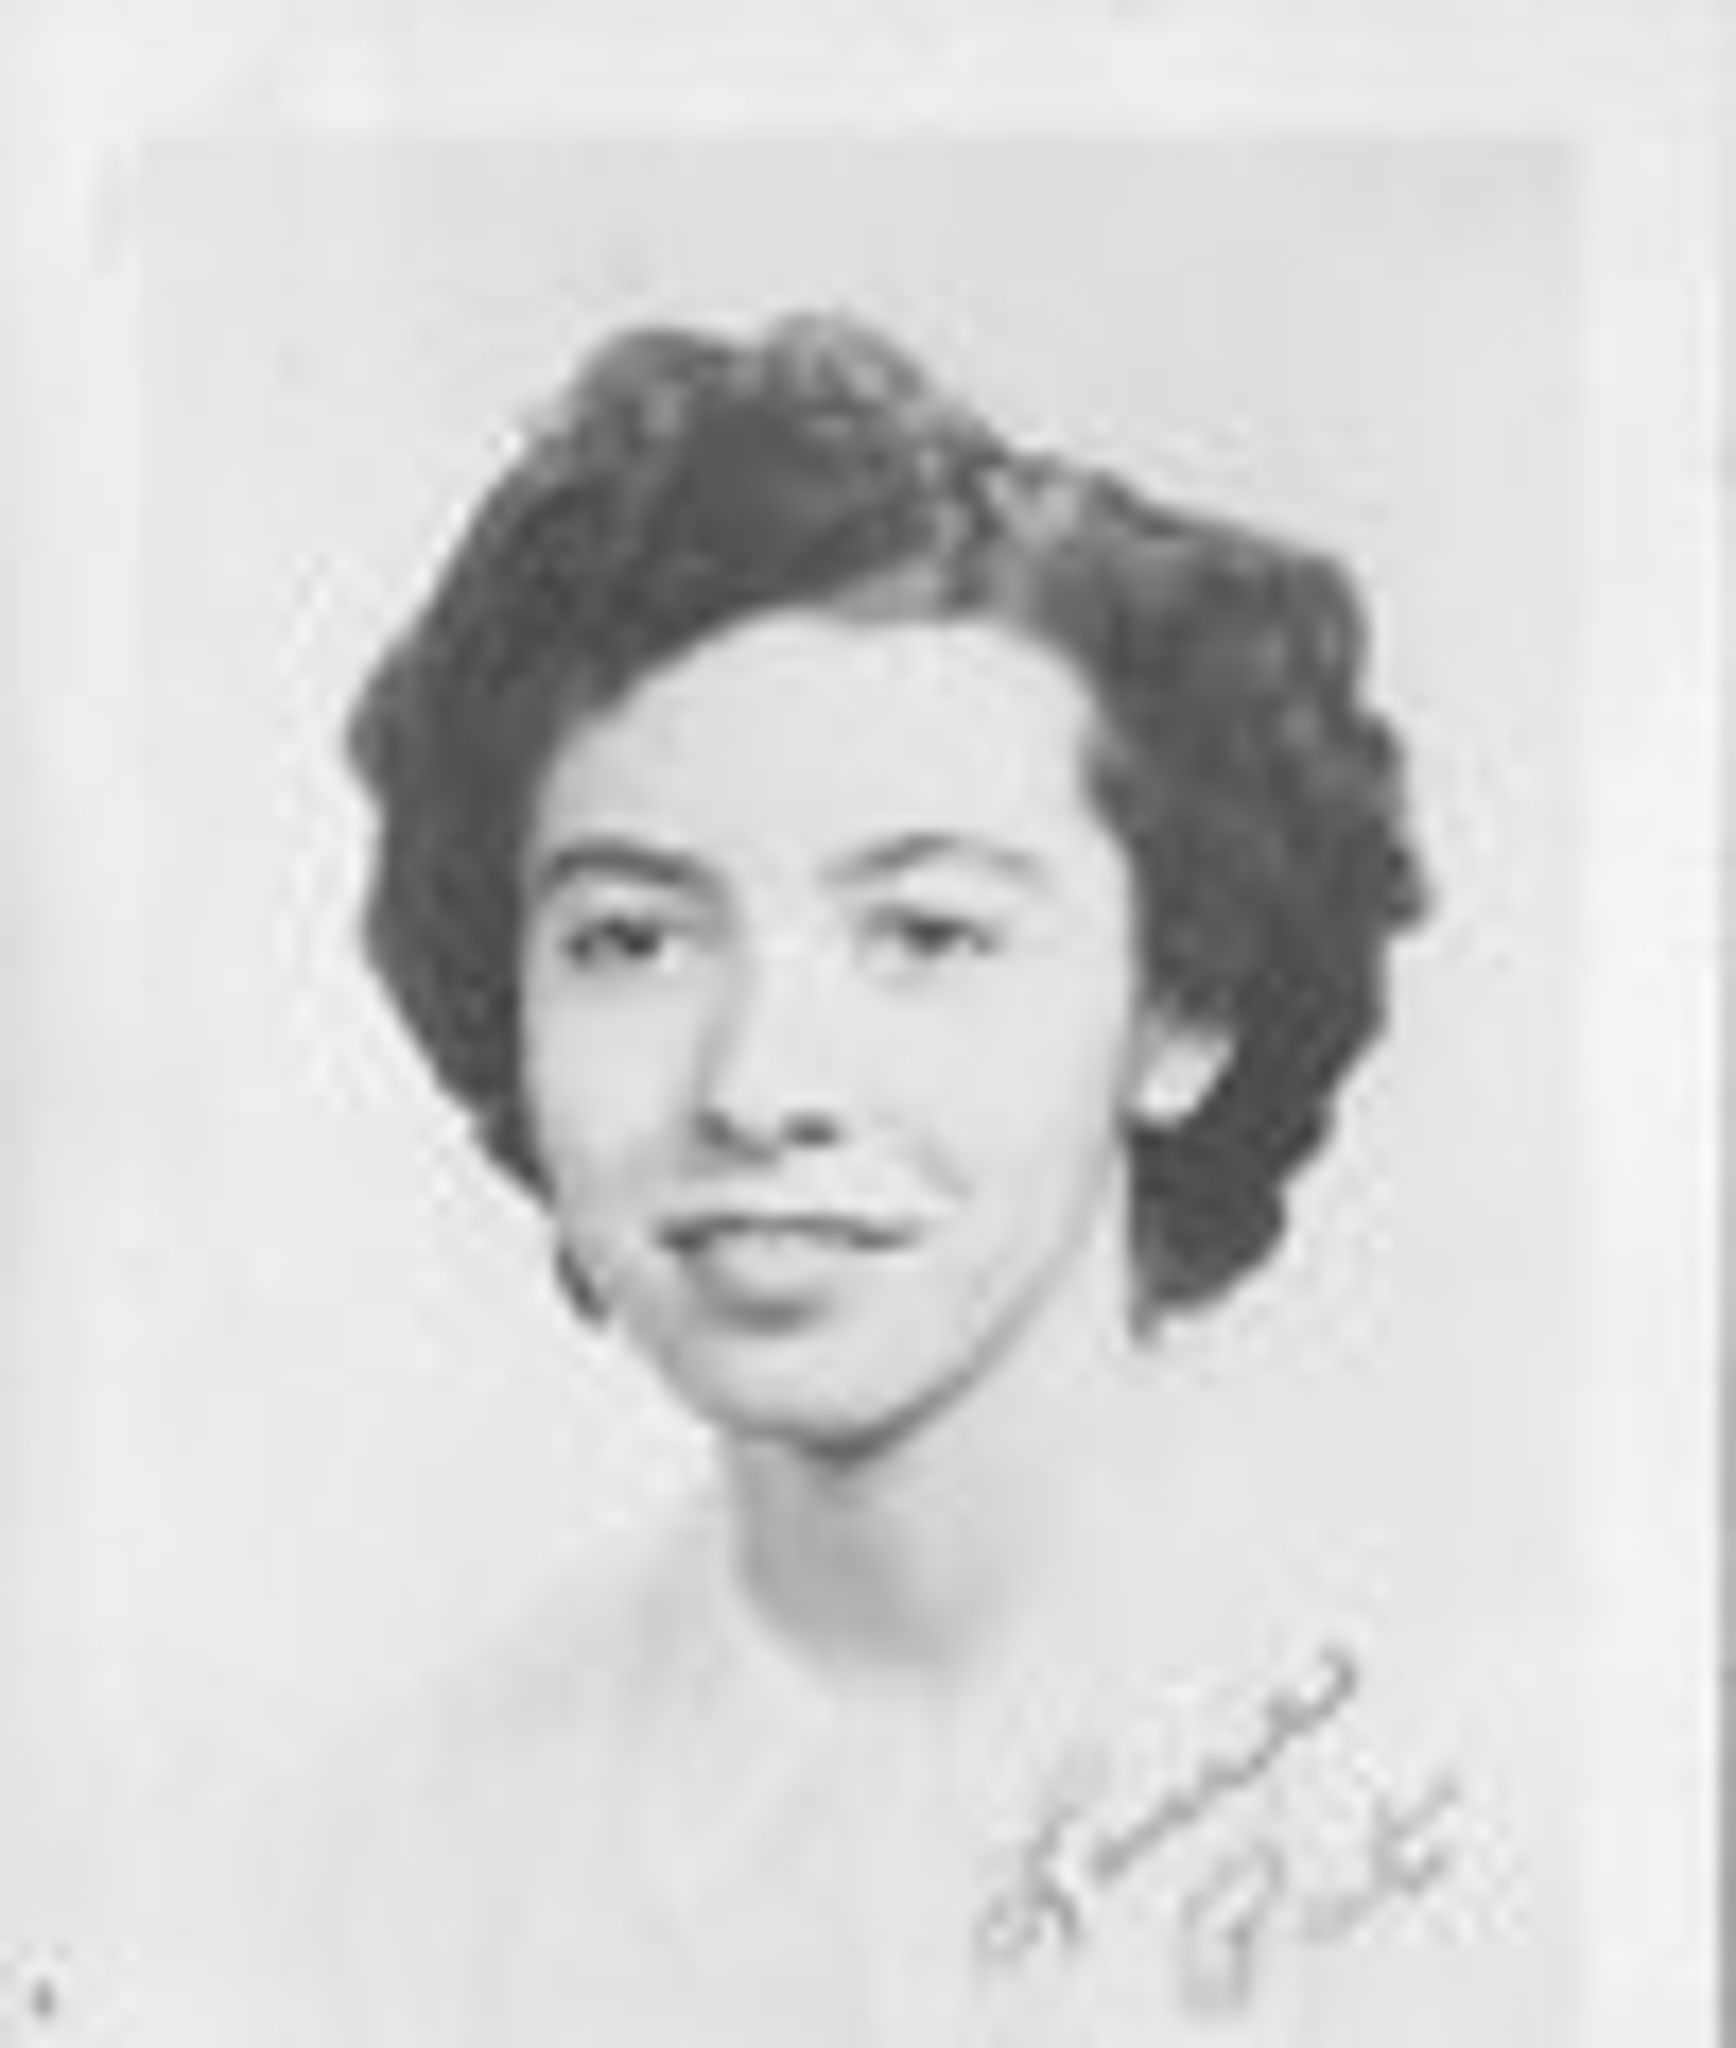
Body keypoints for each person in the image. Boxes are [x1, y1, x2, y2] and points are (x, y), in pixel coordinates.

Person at [301, 310, 1568, 2045]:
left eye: (925, 933)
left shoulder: (1511, 1815)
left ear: (1183, 1005)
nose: (756, 1089)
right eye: (631, 939)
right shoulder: (383, 1886)